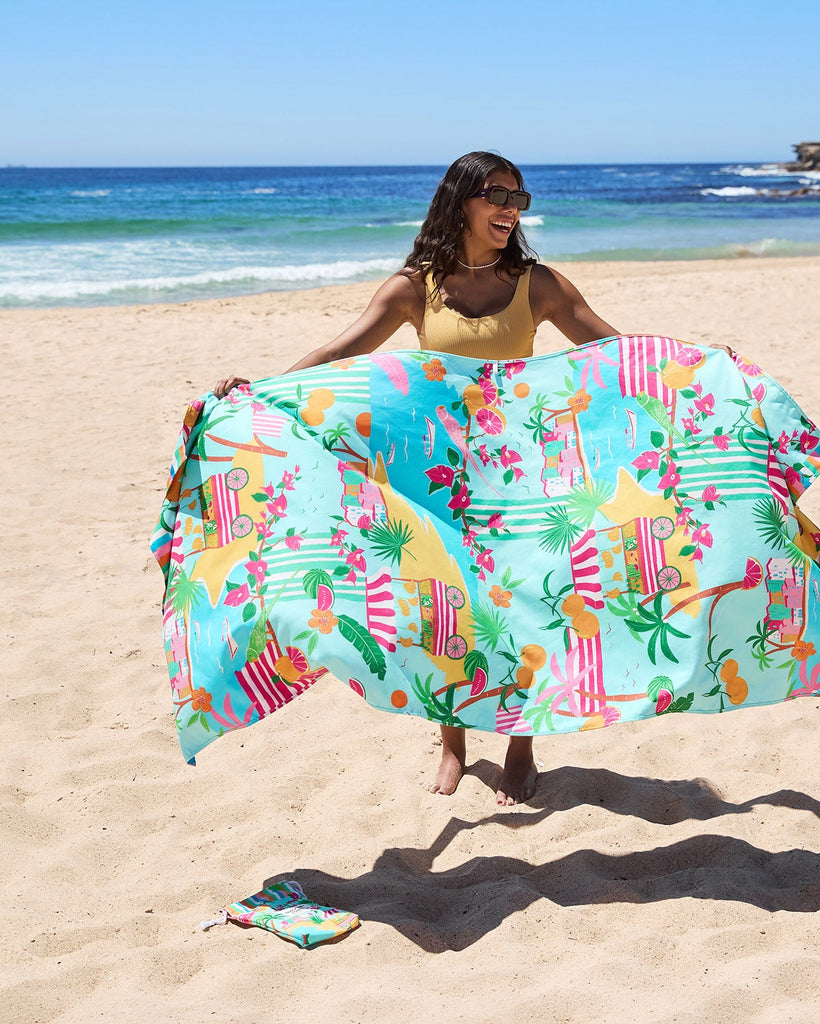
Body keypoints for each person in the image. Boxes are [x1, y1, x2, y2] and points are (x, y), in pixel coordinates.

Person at [214, 152, 619, 806]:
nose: (511, 207)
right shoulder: (415, 285)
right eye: (497, 194)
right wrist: (263, 389)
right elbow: (340, 352)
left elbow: (613, 352)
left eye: (519, 195)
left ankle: (521, 748)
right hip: (438, 475)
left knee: (526, 609)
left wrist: (687, 375)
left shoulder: (536, 284)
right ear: (462, 200)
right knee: (445, 611)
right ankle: (454, 746)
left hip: (520, 473)